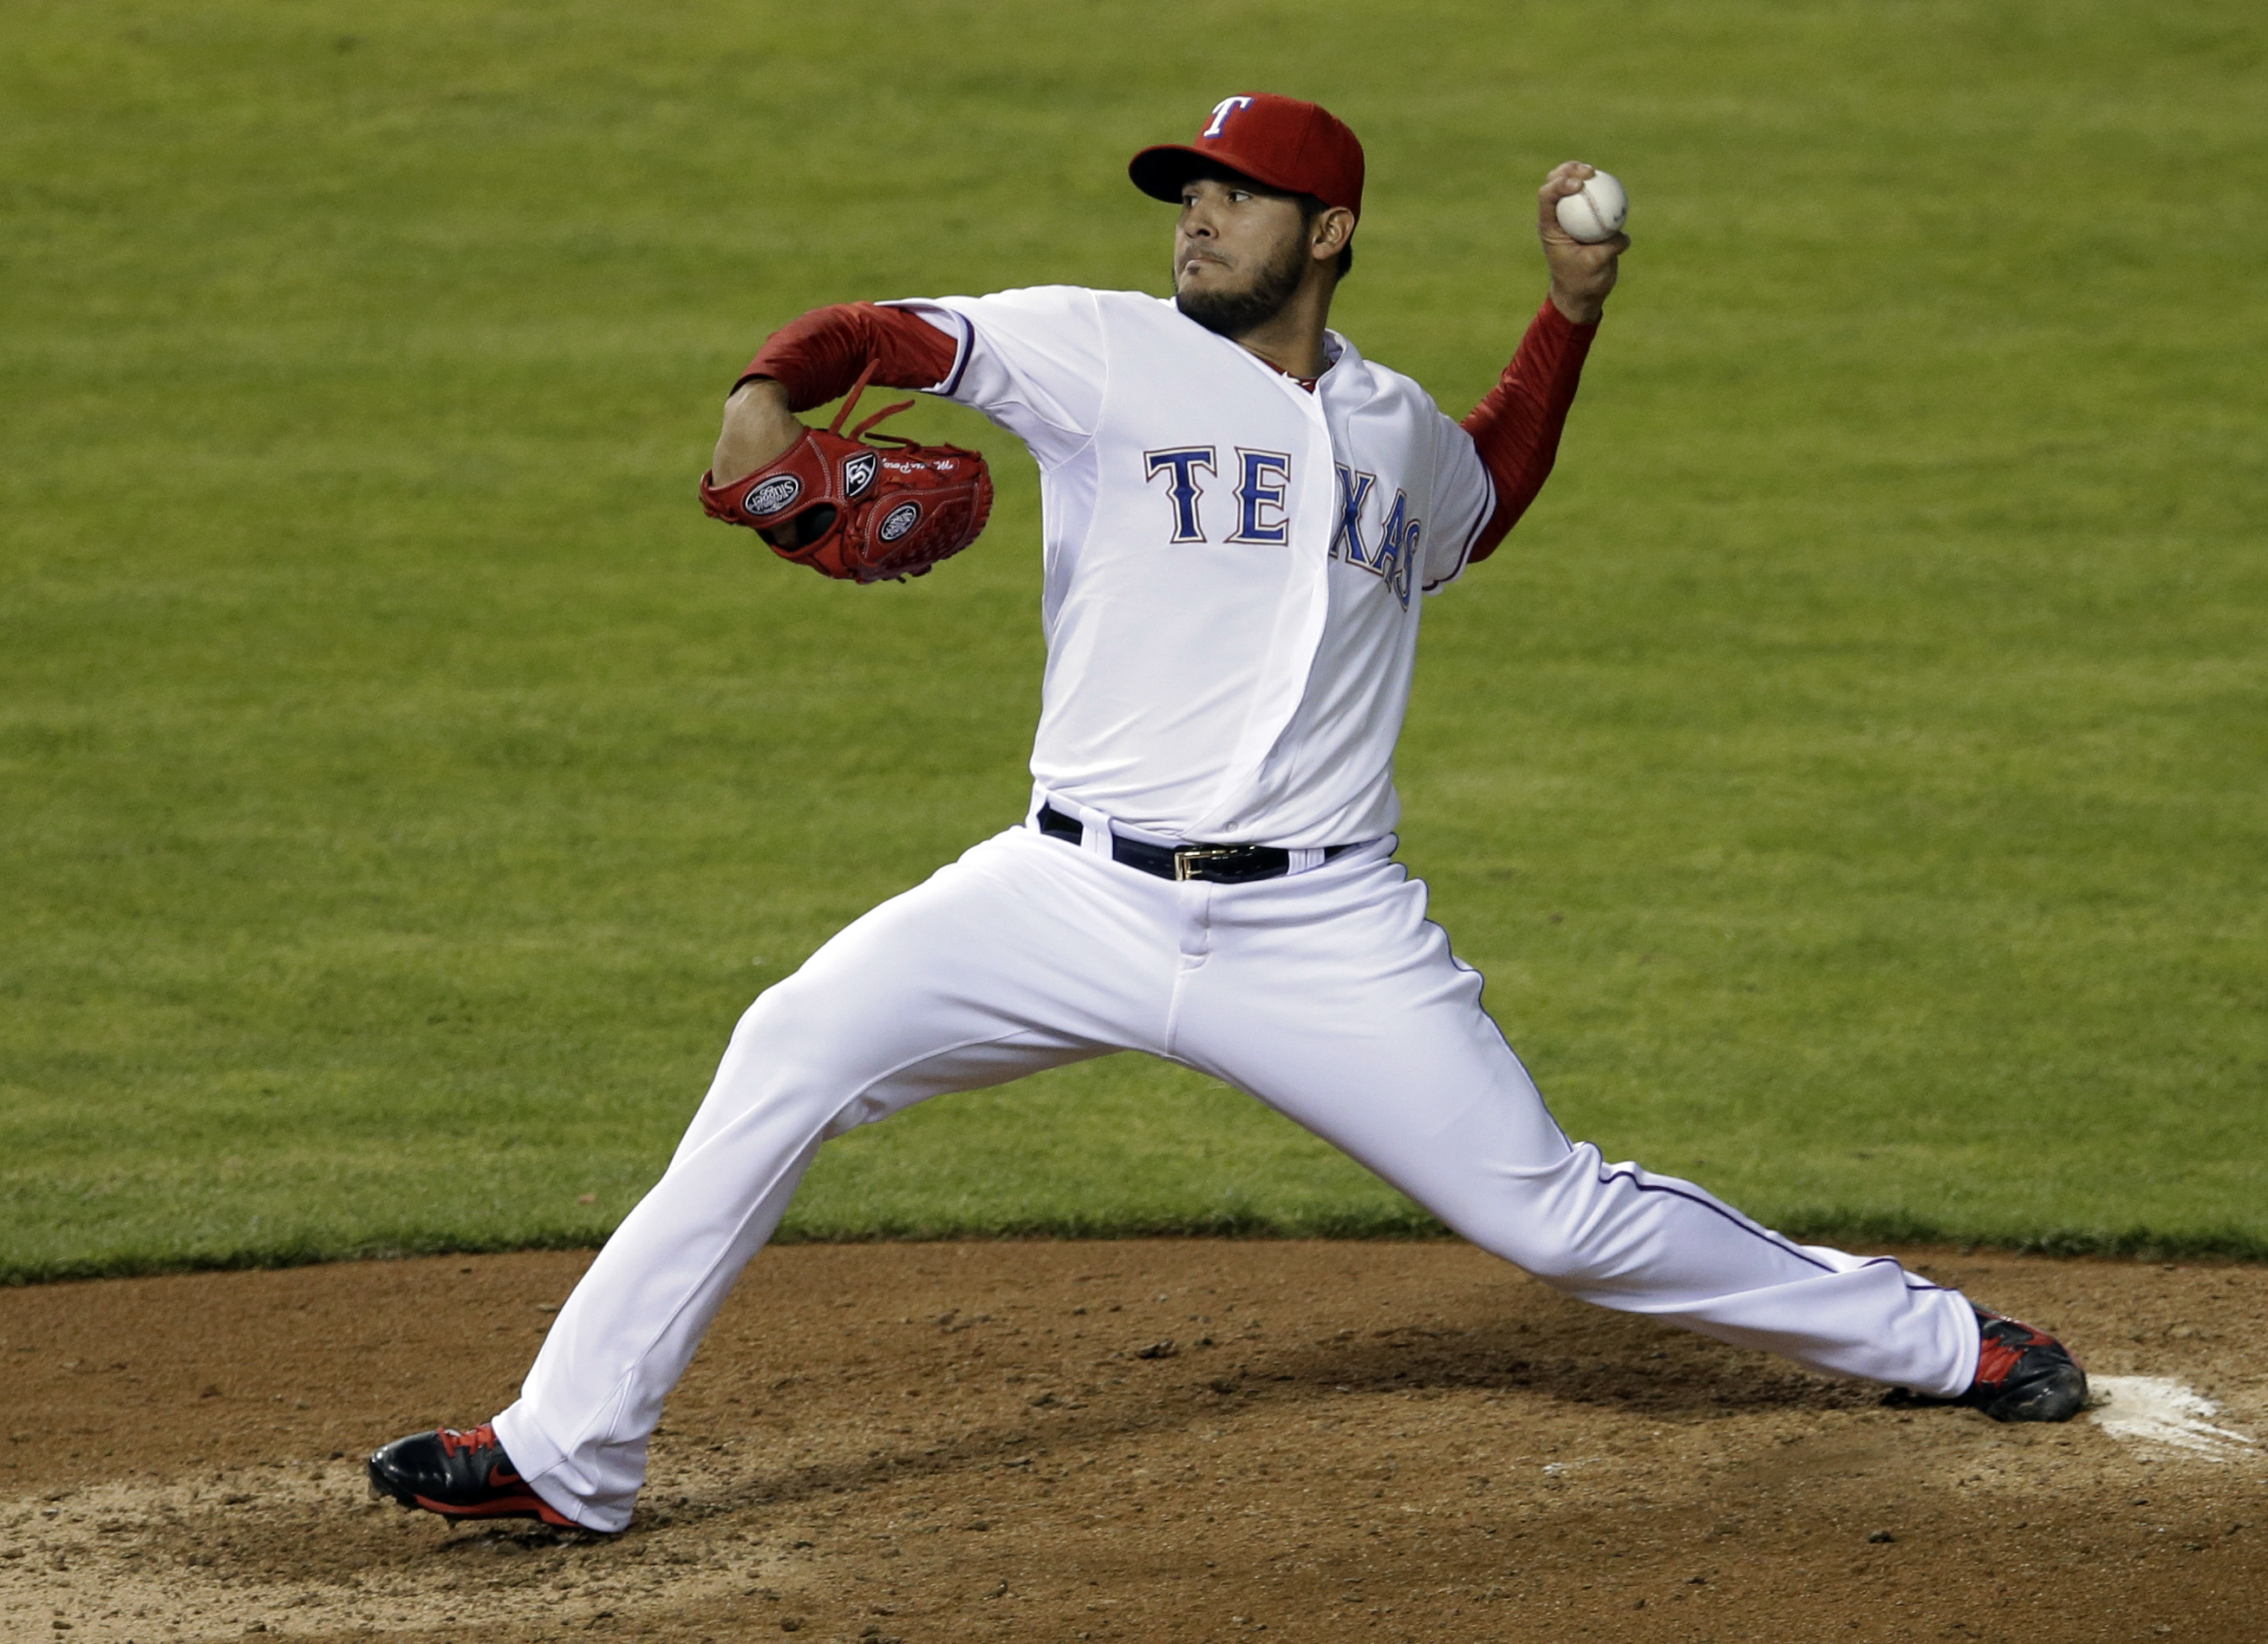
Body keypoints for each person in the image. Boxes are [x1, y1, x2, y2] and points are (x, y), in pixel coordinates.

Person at [368, 93, 2084, 1536]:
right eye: (1186, 190)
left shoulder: (1393, 426)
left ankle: (1938, 1342)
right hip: (1063, 897)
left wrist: (1570, 313)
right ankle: (566, 1453)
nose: (1195, 216)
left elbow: (1485, 493)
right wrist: (767, 394)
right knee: (792, 1046)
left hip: (1320, 931)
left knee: (1551, 1213)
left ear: (1326, 231)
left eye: (1236, 195)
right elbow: (882, 338)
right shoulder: (1095, 352)